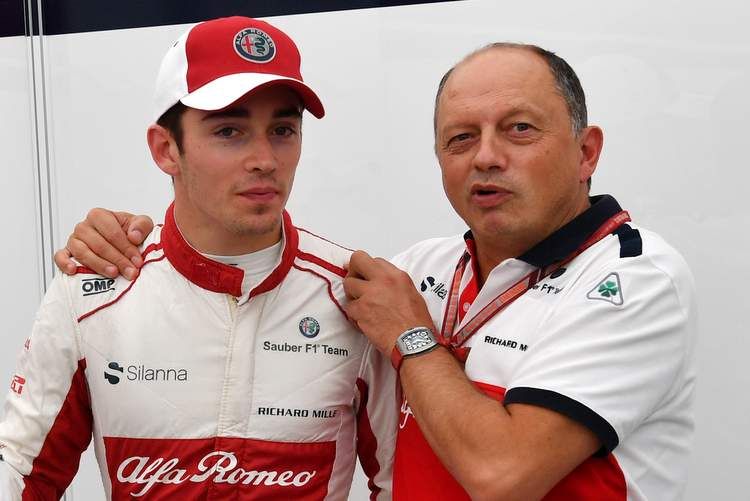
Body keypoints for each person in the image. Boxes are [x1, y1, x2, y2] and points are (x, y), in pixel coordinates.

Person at [53, 43, 697, 500]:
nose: (487, 158)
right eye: (460, 139)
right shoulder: (419, 270)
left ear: (587, 151)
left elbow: (505, 475)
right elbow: (254, 259)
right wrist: (128, 241)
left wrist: (414, 341)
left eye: (520, 130)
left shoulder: (633, 280)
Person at [0, 16, 396, 500]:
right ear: (166, 149)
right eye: (230, 131)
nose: (265, 159)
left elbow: (399, 484)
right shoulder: (92, 290)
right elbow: (22, 472)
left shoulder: (357, 298)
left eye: (283, 129)